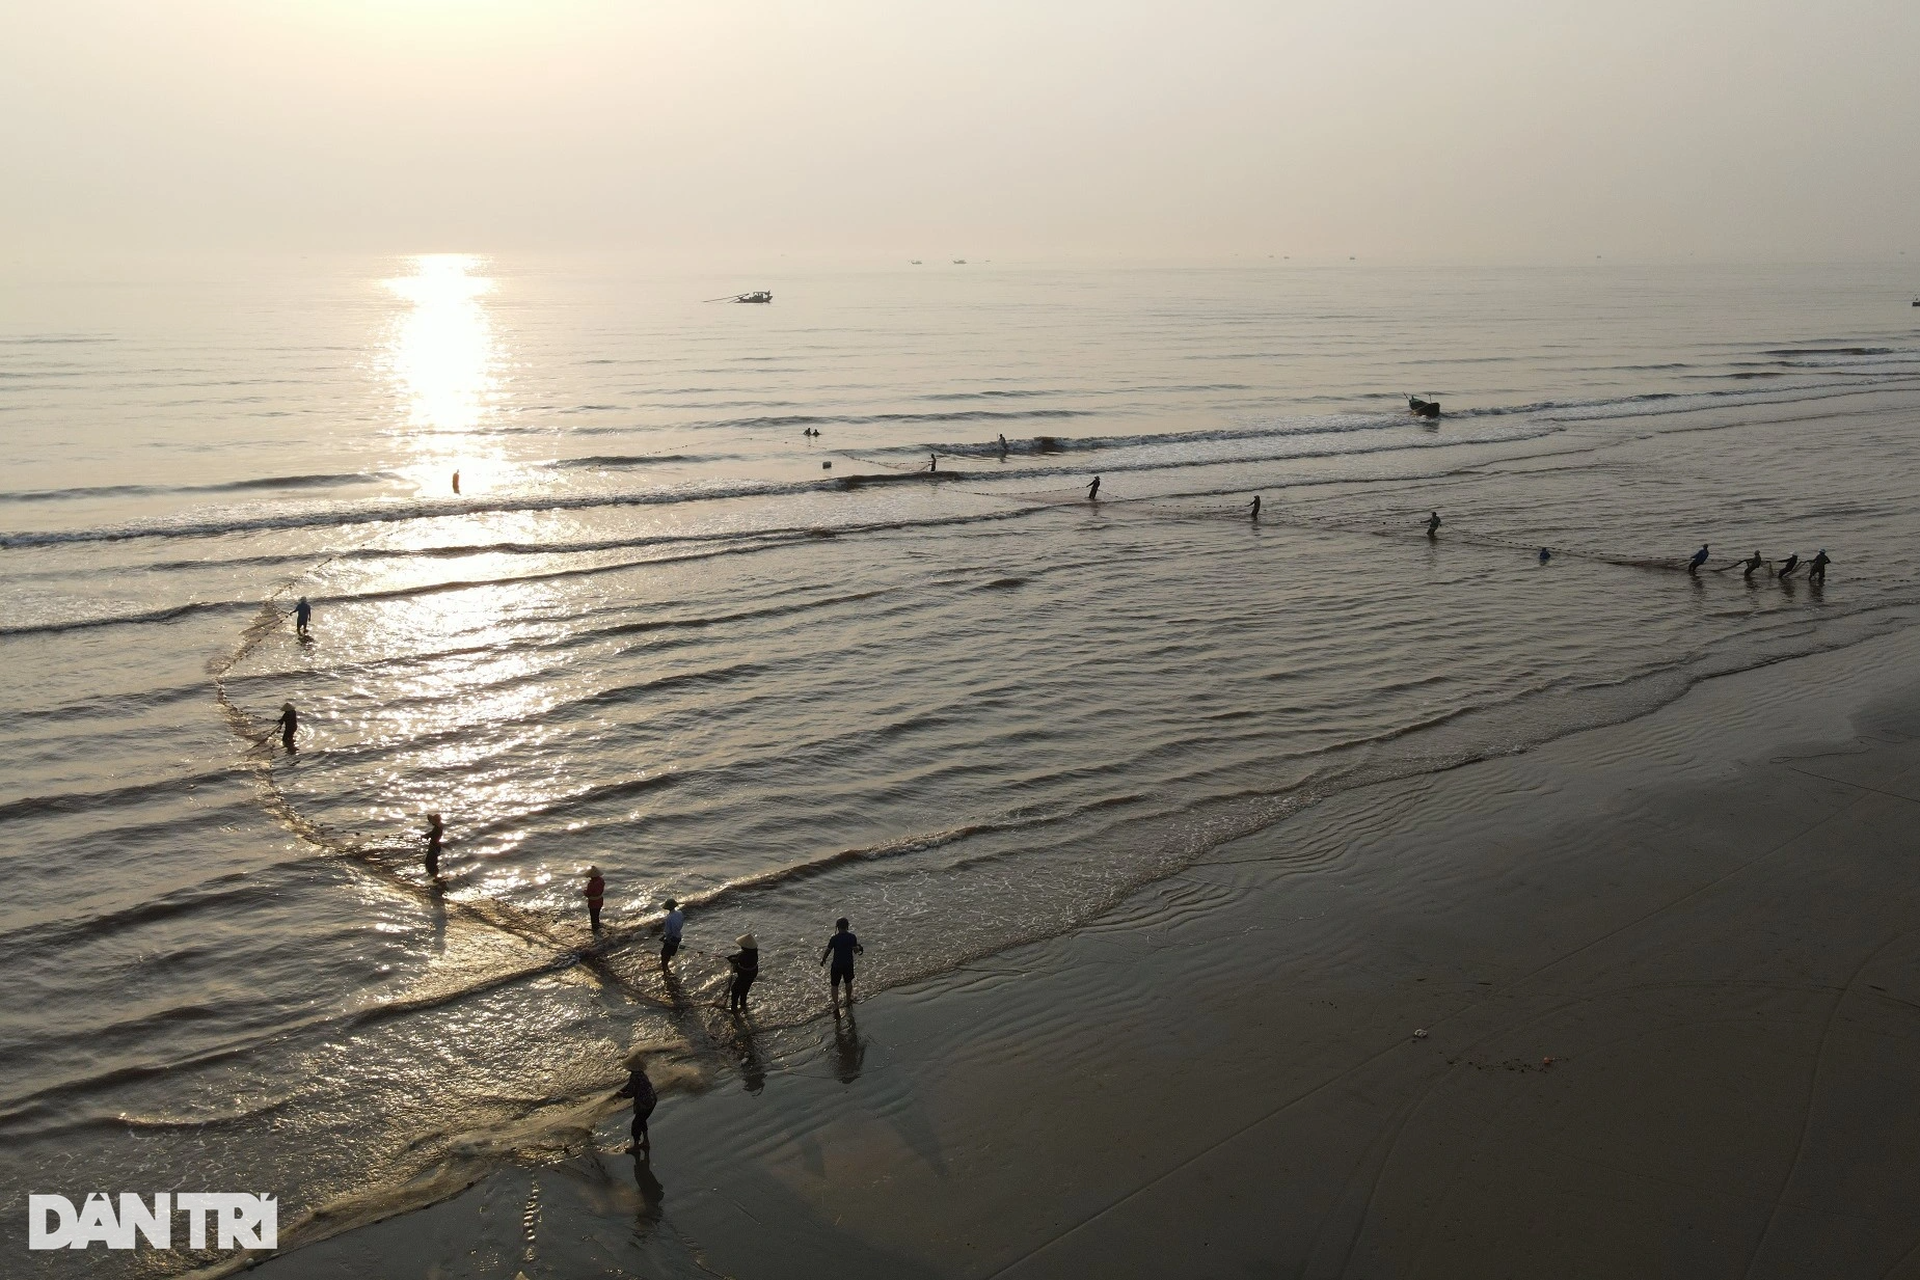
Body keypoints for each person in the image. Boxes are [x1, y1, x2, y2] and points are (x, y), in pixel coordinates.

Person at [615, 1048, 657, 1154]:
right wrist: (622, 1090)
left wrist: (621, 1094)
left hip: (644, 1103)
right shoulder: (641, 1074)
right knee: (642, 1120)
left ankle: (636, 1146)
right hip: (652, 1100)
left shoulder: (634, 1076)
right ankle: (646, 1142)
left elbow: (631, 1094)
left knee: (636, 1123)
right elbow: (630, 1086)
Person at [819, 917, 865, 1008]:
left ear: (837, 927)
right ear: (847, 926)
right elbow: (855, 951)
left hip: (837, 964)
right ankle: (848, 1000)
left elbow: (828, 950)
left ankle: (836, 1004)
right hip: (848, 963)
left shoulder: (834, 938)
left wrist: (823, 959)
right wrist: (860, 948)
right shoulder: (852, 937)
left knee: (834, 984)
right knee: (848, 982)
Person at [727, 933, 759, 1012]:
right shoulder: (753, 952)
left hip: (744, 975)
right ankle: (743, 1005)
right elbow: (738, 955)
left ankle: (734, 1008)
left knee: (735, 989)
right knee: (745, 990)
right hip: (753, 973)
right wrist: (733, 956)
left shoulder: (744, 955)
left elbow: (735, 960)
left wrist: (729, 958)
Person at [660, 899, 684, 966]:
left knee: (664, 955)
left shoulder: (669, 918)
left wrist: (664, 938)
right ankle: (667, 969)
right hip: (678, 937)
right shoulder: (680, 913)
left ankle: (665, 972)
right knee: (669, 954)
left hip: (671, 939)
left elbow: (668, 932)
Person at [583, 866, 606, 932]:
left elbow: (588, 894)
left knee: (593, 915)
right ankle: (597, 925)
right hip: (600, 899)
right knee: (597, 914)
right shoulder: (601, 880)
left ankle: (595, 929)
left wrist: (584, 892)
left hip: (593, 902)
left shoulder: (591, 884)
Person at [424, 813, 443, 878]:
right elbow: (432, 834)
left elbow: (431, 834)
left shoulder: (437, 828)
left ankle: (433, 875)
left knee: (429, 861)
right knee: (433, 861)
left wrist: (425, 836)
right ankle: (435, 874)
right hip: (437, 846)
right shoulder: (440, 827)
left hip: (433, 846)